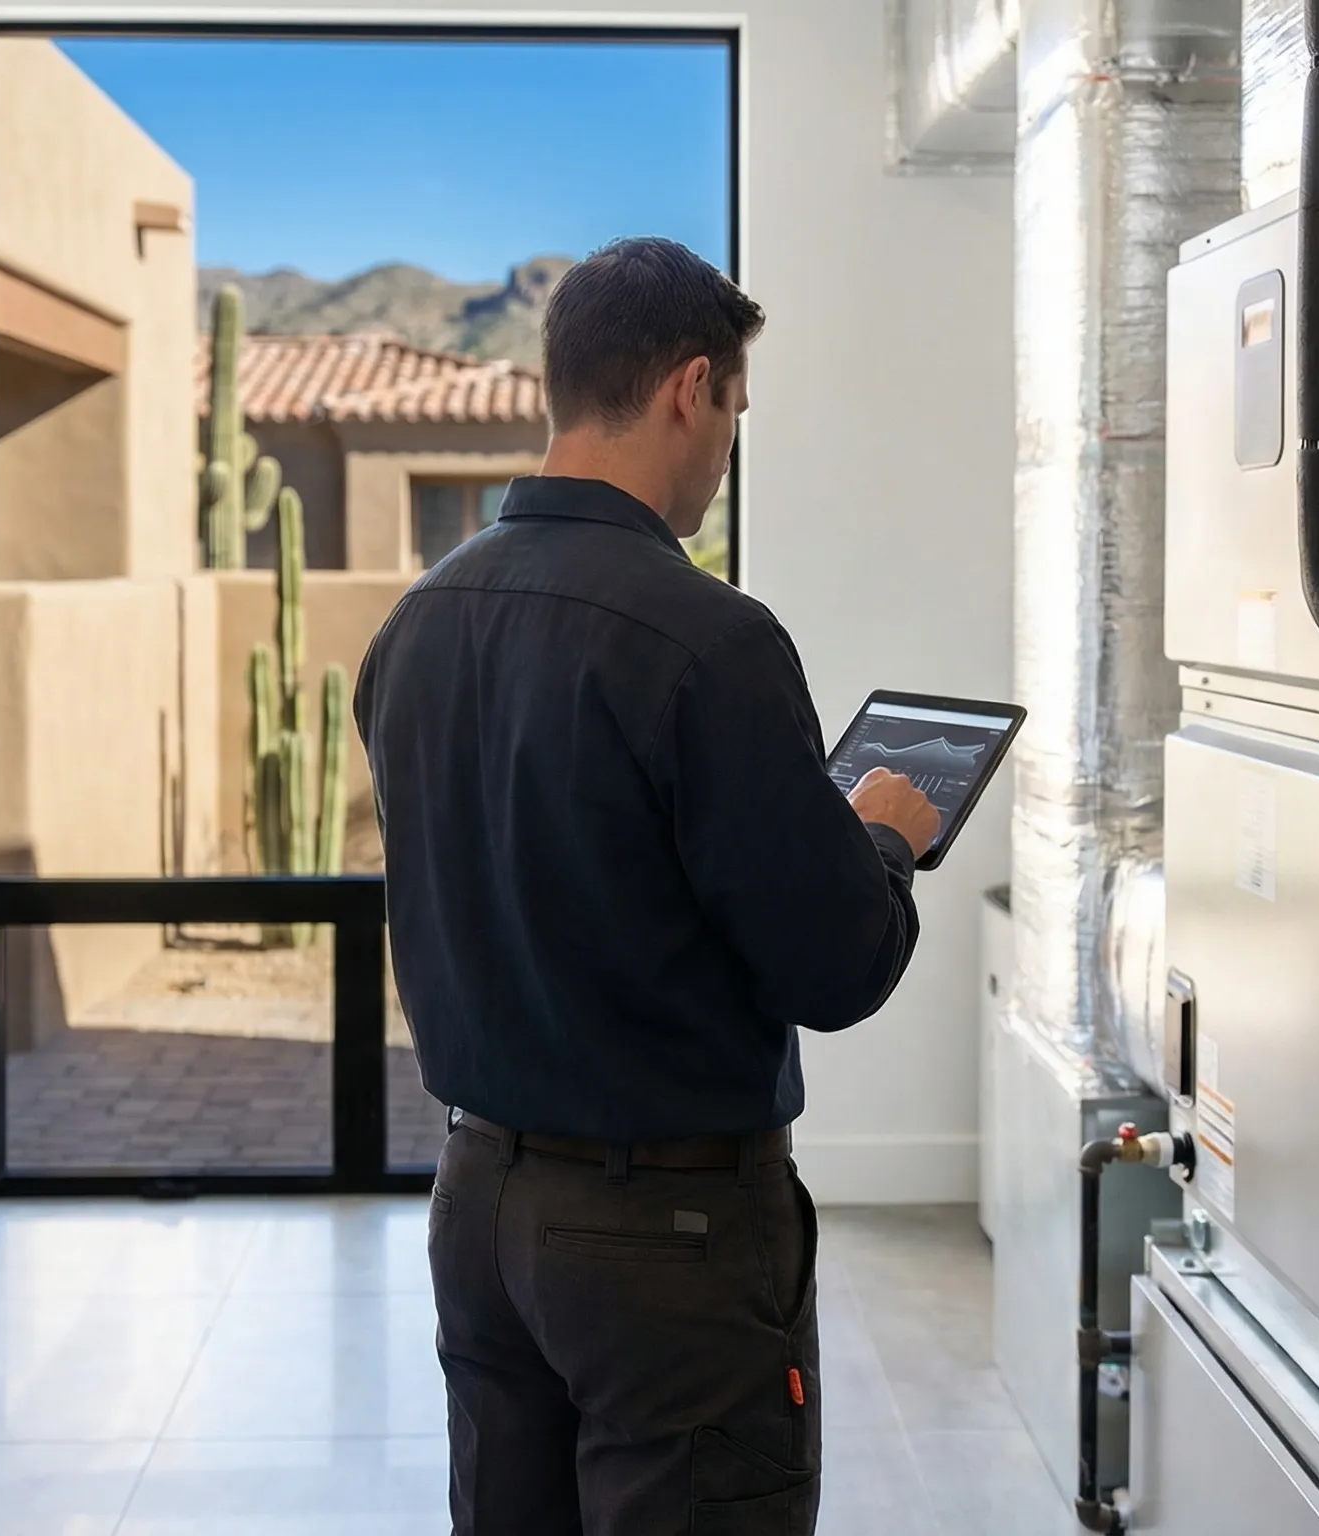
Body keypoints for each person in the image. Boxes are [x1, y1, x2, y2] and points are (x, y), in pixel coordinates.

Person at [354, 236, 941, 1534]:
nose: (729, 441)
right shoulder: (710, 642)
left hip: (480, 1210)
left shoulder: (417, 625)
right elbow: (837, 966)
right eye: (735, 406)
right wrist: (884, 839)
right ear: (691, 389)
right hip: (666, 1244)